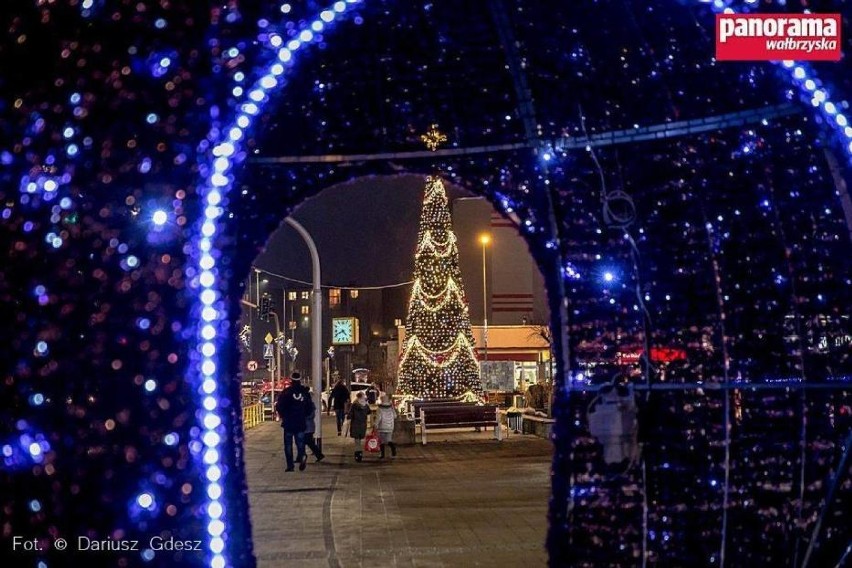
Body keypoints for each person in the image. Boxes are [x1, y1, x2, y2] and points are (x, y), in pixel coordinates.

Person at [275, 372, 314, 472]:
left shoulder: (286, 392)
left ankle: (290, 466)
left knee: (288, 444)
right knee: (300, 442)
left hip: (288, 422)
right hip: (300, 421)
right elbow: (310, 407)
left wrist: (283, 415)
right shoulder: (305, 393)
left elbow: (279, 406)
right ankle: (302, 456)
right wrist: (304, 415)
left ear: (291, 380)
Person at [346, 391, 370, 462]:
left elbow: (350, 414)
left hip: (355, 423)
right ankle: (360, 454)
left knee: (357, 441)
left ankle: (358, 454)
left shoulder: (354, 404)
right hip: (363, 424)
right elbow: (369, 412)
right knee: (360, 439)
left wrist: (348, 418)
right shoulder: (366, 405)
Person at [304, 388, 325, 463]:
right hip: (308, 426)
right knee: (308, 442)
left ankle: (318, 454)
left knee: (306, 441)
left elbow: (310, 415)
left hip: (307, 427)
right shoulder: (310, 404)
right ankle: (318, 454)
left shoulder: (308, 405)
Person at [374, 393, 397, 459]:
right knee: (389, 440)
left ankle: (382, 454)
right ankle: (393, 450)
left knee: (381, 441)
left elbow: (378, 418)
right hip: (390, 427)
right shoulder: (391, 408)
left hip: (382, 427)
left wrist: (375, 425)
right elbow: (395, 416)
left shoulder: (379, 409)